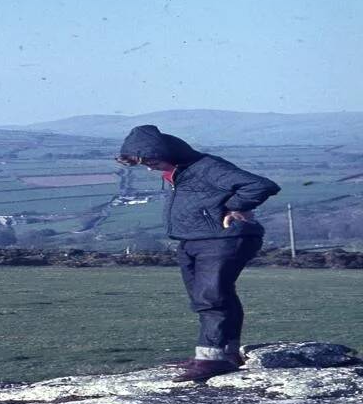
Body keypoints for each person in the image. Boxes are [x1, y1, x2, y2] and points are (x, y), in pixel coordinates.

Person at [116, 125, 281, 381]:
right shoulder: (178, 172)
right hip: (193, 240)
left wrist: (235, 207)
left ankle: (211, 359)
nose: (149, 168)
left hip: (224, 239)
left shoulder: (206, 167)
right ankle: (226, 353)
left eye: (151, 161)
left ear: (167, 152)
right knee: (212, 295)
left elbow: (260, 185)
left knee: (210, 297)